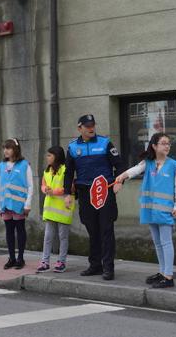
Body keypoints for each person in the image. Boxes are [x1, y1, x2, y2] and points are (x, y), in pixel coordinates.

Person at [115, 133, 176, 288]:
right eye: (163, 143)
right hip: (150, 210)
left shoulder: (173, 165)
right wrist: (121, 177)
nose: (167, 146)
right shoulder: (148, 163)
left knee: (166, 242)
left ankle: (168, 276)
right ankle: (162, 272)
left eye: (168, 144)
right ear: (154, 146)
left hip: (166, 211)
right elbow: (134, 170)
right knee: (158, 243)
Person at [64, 114, 125, 280]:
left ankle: (108, 268)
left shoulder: (105, 143)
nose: (91, 128)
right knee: (92, 230)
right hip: (84, 193)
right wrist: (67, 194)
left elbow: (119, 165)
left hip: (104, 192)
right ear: (80, 128)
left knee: (106, 230)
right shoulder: (72, 147)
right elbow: (68, 172)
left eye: (93, 125)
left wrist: (120, 181)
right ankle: (95, 265)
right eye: (87, 126)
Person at [0, 138, 34, 270]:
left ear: (15, 149)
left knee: (20, 229)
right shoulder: (1, 166)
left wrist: (27, 204)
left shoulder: (24, 165)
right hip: (5, 204)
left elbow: (30, 186)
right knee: (9, 231)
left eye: (9, 148)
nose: (5, 151)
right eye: (4, 148)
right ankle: (11, 258)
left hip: (19, 205)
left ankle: (20, 258)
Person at [36, 146, 75, 273]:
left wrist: (54, 191)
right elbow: (43, 184)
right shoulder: (47, 171)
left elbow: (70, 187)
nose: (47, 158)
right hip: (50, 209)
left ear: (56, 156)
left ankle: (61, 262)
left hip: (63, 209)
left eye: (49, 155)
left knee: (63, 237)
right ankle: (45, 262)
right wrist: (45, 189)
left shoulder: (65, 170)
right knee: (48, 237)